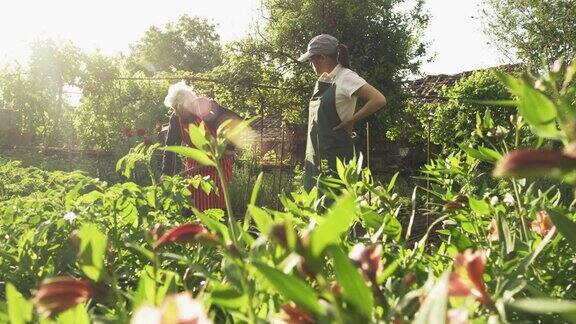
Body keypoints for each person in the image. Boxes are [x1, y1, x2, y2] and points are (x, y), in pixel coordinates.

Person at [298, 34, 387, 191]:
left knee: (338, 204)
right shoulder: (324, 81)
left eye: (312, 59)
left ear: (323, 58)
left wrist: (350, 121)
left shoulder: (346, 77)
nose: (310, 64)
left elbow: (378, 99)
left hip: (337, 157)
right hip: (316, 156)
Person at [162, 81, 241, 211]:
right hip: (195, 165)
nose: (175, 112)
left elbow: (237, 122)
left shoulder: (206, 109)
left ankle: (216, 228)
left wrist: (229, 148)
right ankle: (199, 228)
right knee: (195, 204)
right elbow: (170, 146)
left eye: (177, 108)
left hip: (218, 163)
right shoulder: (176, 119)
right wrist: (166, 174)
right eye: (173, 109)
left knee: (216, 203)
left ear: (186, 105)